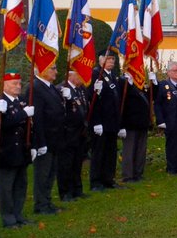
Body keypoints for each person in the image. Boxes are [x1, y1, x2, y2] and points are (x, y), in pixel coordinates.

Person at [0, 70, 36, 228]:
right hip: (7, 151)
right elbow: (2, 125)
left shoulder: (22, 101)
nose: (18, 86)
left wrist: (33, 145)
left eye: (19, 83)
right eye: (14, 84)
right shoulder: (0, 102)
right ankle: (8, 218)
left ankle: (18, 214)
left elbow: (30, 127)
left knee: (20, 185)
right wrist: (23, 114)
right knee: (6, 187)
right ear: (4, 85)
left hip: (22, 151)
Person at [25, 65, 63, 215]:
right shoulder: (35, 88)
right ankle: (40, 204)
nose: (56, 71)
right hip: (44, 139)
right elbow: (37, 118)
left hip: (55, 138)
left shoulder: (50, 87)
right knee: (43, 173)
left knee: (51, 172)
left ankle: (47, 200)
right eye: (52, 68)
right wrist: (39, 142)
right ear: (41, 69)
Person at [89, 55, 122, 191]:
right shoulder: (96, 74)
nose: (111, 62)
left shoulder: (112, 76)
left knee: (111, 152)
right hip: (101, 122)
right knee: (99, 153)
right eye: (108, 59)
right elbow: (92, 100)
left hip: (112, 121)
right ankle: (96, 182)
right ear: (100, 60)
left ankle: (109, 179)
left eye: (113, 60)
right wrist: (96, 121)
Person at [57, 69, 89, 203]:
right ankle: (65, 192)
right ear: (70, 75)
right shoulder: (61, 89)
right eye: (79, 74)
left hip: (80, 132)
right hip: (67, 133)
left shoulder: (79, 89)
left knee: (77, 162)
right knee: (66, 164)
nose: (82, 78)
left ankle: (77, 189)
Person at [119, 74, 151, 183]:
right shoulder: (123, 84)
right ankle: (128, 175)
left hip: (142, 122)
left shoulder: (141, 86)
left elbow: (151, 96)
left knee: (140, 150)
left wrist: (154, 83)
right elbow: (121, 104)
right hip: (130, 123)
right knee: (129, 150)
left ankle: (138, 173)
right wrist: (121, 125)